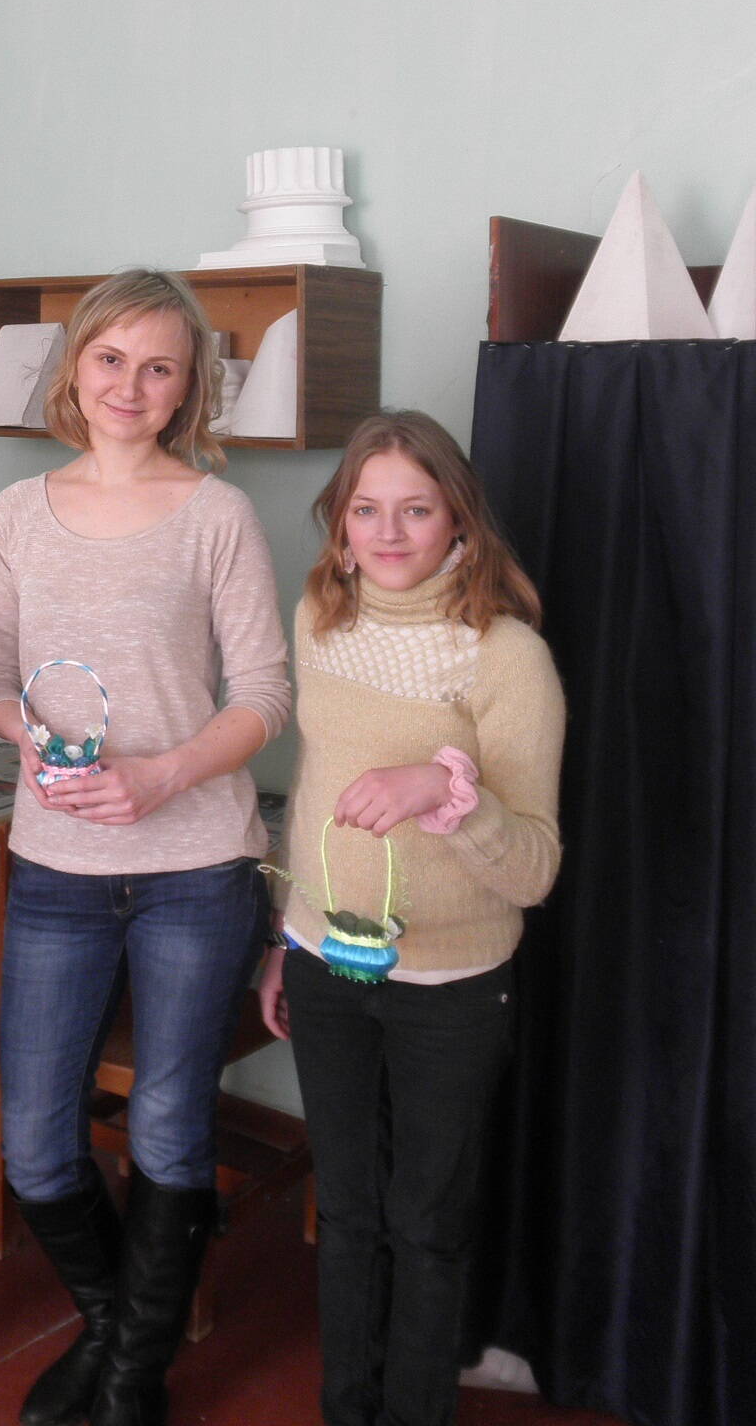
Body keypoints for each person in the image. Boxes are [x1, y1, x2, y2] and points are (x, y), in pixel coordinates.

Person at [0, 268, 291, 1426]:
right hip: (59, 865)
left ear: (189, 386)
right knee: (34, 1143)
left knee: (166, 1121)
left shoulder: (218, 514)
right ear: (76, 366)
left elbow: (265, 694)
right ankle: (121, 1334)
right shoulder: (16, 513)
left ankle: (128, 1377)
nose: (130, 384)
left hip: (197, 868)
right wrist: (33, 736)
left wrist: (160, 773)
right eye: (111, 357)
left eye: (160, 366)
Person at [260, 409, 565, 1426]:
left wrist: (445, 793)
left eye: (416, 510)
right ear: (341, 524)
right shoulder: (319, 616)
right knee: (346, 1212)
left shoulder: (507, 656)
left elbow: (534, 869)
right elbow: (314, 791)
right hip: (325, 962)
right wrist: (287, 937)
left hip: (452, 986)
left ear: (459, 521)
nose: (388, 533)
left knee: (426, 1223)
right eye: (366, 509)